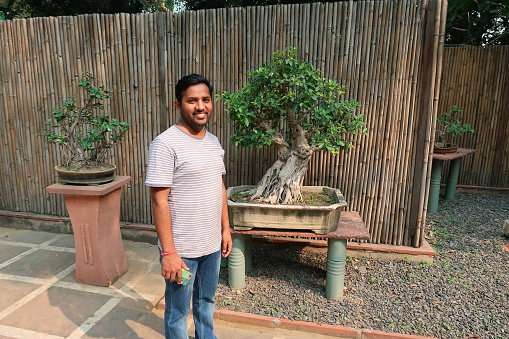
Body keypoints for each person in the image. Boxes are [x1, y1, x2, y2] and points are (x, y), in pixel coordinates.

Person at [145, 73, 232, 339]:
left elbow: (218, 187)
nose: (200, 106)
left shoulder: (214, 142)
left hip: (211, 247)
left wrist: (225, 229)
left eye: (205, 99)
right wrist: (169, 252)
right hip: (182, 252)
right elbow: (159, 200)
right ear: (178, 104)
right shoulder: (165, 144)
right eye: (192, 100)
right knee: (178, 311)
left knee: (206, 302)